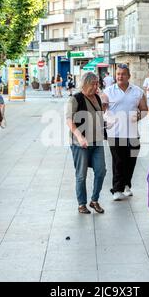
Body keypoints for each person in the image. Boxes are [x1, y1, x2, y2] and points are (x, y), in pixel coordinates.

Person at [102, 64, 148, 201]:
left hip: (133, 133)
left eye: (123, 74)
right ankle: (117, 189)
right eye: (118, 74)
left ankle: (127, 185)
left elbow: (144, 109)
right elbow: (101, 109)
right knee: (118, 161)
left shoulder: (137, 92)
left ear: (129, 76)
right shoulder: (108, 91)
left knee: (131, 160)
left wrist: (139, 116)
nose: (120, 76)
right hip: (115, 133)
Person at [66, 72, 107, 214]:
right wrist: (79, 136)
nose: (97, 86)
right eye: (94, 84)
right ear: (85, 83)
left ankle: (94, 200)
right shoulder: (74, 99)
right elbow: (69, 120)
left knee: (101, 171)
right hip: (80, 143)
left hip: (97, 141)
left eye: (97, 83)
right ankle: (81, 204)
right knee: (81, 174)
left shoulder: (97, 97)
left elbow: (98, 116)